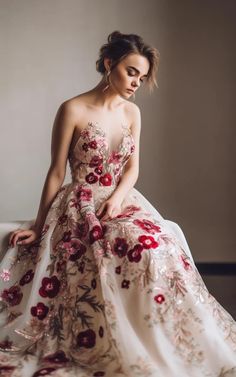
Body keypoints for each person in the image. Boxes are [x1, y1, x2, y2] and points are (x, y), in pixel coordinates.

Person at [0, 30, 235, 377]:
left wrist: (118, 198)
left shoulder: (133, 113)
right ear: (109, 64)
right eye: (130, 72)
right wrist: (38, 226)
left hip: (122, 197)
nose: (136, 82)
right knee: (118, 246)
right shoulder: (73, 109)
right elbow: (55, 172)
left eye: (141, 76)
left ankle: (165, 336)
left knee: (160, 246)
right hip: (80, 201)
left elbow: (133, 168)